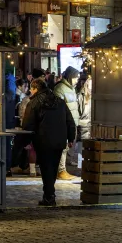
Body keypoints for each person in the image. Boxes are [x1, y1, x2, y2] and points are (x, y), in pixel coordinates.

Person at [21, 78, 76, 206]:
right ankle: (50, 195)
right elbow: (70, 121)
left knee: (46, 169)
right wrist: (71, 138)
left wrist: (26, 141)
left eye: (31, 89)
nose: (30, 91)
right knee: (53, 168)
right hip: (59, 141)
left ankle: (49, 196)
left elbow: (28, 124)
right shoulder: (60, 102)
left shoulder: (34, 103)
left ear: (36, 89)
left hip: (43, 141)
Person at [53, 66, 81, 180]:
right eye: (75, 78)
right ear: (70, 77)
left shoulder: (71, 89)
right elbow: (57, 107)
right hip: (63, 123)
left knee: (67, 147)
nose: (77, 80)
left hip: (71, 123)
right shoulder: (60, 88)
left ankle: (62, 169)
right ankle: (61, 170)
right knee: (63, 147)